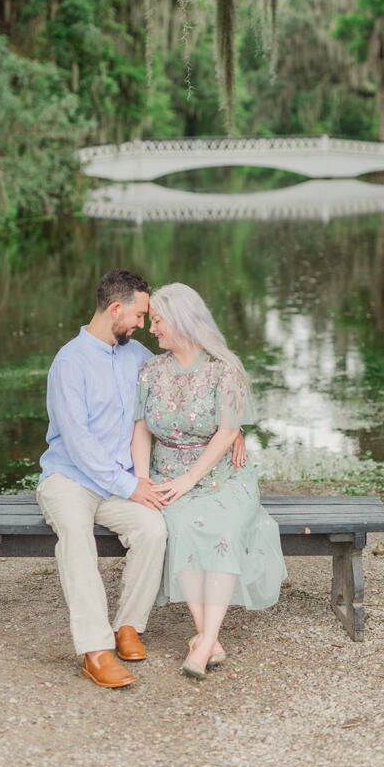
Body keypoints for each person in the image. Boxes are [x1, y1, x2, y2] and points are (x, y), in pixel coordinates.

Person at [132, 282, 287, 680]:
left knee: (221, 528)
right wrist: (144, 481)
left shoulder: (224, 372)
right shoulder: (150, 372)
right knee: (179, 525)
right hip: (167, 475)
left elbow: (225, 433)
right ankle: (208, 638)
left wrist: (189, 479)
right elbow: (142, 432)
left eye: (159, 321)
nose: (153, 329)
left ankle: (203, 644)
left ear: (181, 321)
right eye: (151, 321)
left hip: (222, 476)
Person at [36, 268, 169, 690]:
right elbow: (78, 445)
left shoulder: (138, 357)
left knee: (153, 528)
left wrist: (231, 426)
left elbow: (180, 383)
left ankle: (128, 625)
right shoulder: (69, 362)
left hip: (115, 483)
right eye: (140, 315)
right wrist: (132, 486)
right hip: (69, 479)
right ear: (115, 309)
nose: (142, 324)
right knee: (76, 533)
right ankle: (95, 650)